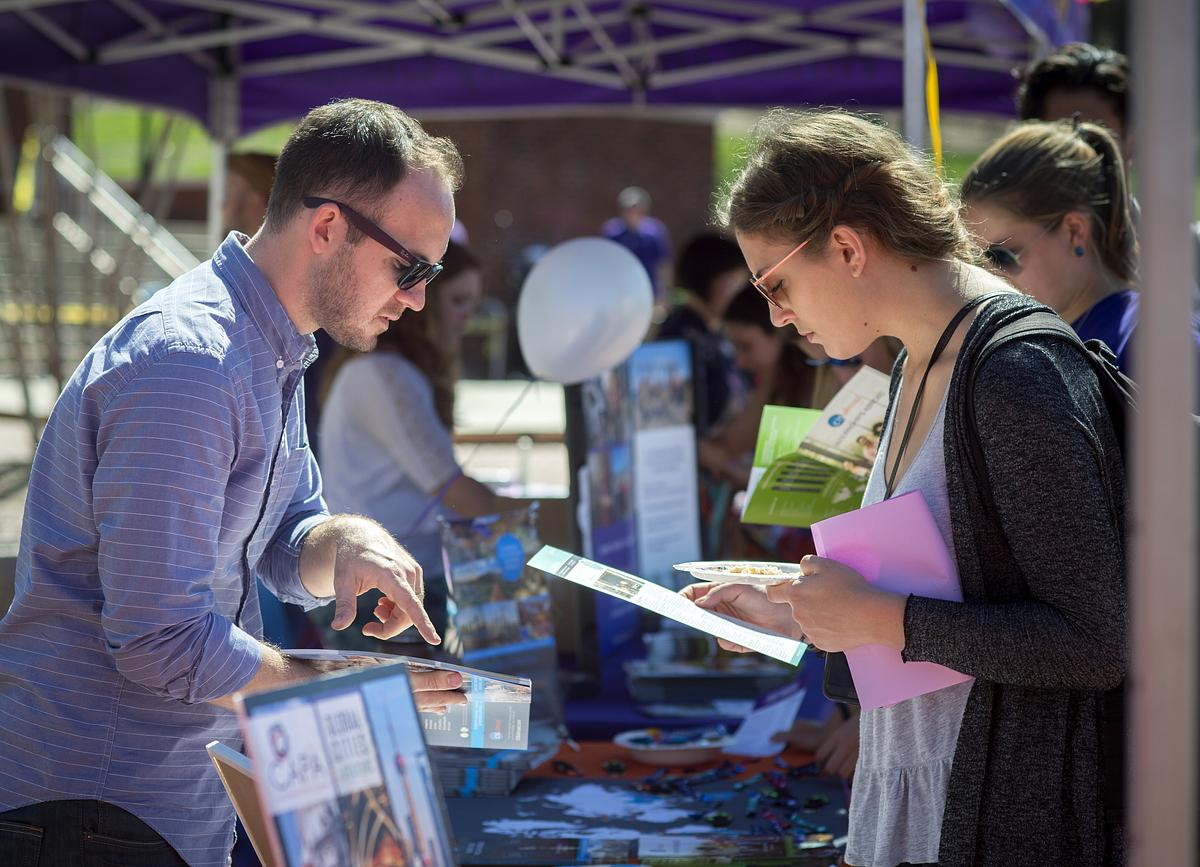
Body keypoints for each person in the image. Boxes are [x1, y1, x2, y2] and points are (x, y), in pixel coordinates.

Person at [0, 99, 471, 867]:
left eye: (431, 272)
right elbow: (158, 637)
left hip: (144, 806)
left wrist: (347, 542)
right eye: (410, 267)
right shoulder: (192, 361)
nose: (418, 297)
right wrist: (335, 687)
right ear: (326, 229)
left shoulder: (267, 342)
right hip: (91, 808)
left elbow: (285, 534)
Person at [684, 108, 1126, 867]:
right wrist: (799, 617)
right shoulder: (911, 365)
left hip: (995, 819)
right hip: (916, 804)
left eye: (775, 282)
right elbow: (935, 605)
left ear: (848, 247)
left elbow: (1092, 643)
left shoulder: (1017, 375)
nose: (776, 314)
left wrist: (880, 616)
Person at [317, 240, 524, 647]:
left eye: (474, 304)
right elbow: (451, 488)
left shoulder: (395, 370)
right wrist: (535, 537)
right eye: (459, 301)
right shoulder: (383, 373)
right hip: (376, 591)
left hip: (391, 578)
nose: (468, 318)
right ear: (422, 300)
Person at [962, 119, 1200, 381]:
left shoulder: (1160, 338)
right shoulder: (1027, 340)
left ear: (1074, 232)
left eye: (1003, 255)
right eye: (977, 259)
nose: (989, 277)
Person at [657, 232, 749, 435]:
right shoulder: (680, 335)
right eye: (736, 282)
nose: (742, 294)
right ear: (712, 280)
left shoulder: (713, 330)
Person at [601, 185, 673, 308]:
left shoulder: (654, 232)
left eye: (637, 208)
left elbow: (663, 265)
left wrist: (665, 294)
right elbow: (605, 263)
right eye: (629, 209)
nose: (633, 213)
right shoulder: (612, 232)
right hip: (619, 292)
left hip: (648, 292)